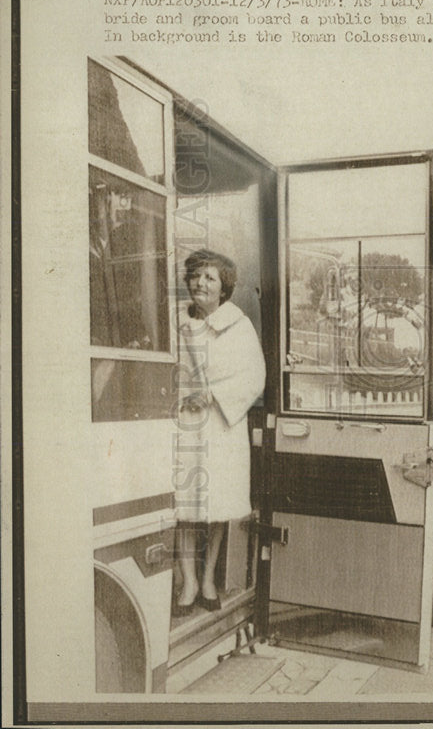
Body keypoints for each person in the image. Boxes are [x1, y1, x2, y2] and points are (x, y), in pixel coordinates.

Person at [173, 249, 266, 617]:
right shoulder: (175, 323)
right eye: (196, 275)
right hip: (184, 424)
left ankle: (208, 576)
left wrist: (212, 394)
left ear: (223, 287)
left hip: (221, 425)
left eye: (210, 277)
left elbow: (253, 377)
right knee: (185, 505)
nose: (201, 283)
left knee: (216, 506)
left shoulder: (239, 326)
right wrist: (184, 394)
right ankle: (188, 581)